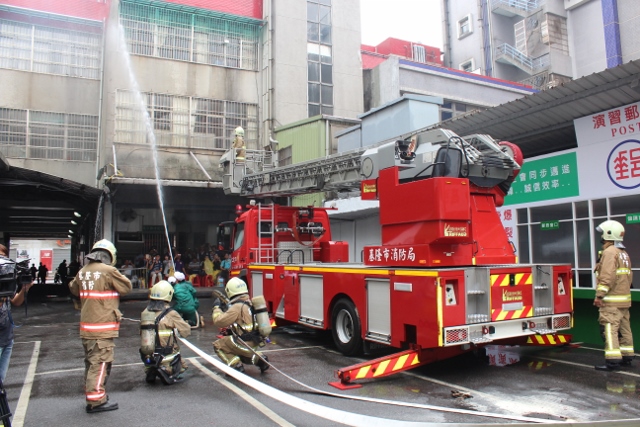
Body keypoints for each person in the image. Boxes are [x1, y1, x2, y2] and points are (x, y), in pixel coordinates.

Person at [68, 239, 132, 413]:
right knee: (100, 363)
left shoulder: (83, 271)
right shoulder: (109, 271)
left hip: (87, 327)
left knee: (91, 363)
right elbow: (126, 287)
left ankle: (96, 395)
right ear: (110, 256)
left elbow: (73, 288)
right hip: (102, 327)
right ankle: (96, 400)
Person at [593, 220, 634, 371]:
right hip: (623, 300)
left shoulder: (610, 252)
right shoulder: (623, 253)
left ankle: (612, 361)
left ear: (608, 234)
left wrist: (599, 295)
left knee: (609, 329)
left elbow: (607, 276)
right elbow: (629, 277)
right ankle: (627, 356)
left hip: (611, 302)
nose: (601, 237)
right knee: (625, 329)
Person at [211, 277, 269, 373]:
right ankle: (260, 359)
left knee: (218, 345)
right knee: (242, 353)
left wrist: (216, 308)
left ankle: (235, 366)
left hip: (243, 343)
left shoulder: (237, 307)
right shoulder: (250, 303)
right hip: (254, 343)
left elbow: (219, 321)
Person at [139, 280, 191, 384]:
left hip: (148, 356)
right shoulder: (171, 313)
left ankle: (150, 369)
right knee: (183, 366)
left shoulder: (145, 312)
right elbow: (186, 331)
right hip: (166, 355)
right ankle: (168, 371)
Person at [0, 244, 32, 383]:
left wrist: (25, 288)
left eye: (4, 257)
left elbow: (16, 302)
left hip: (7, 337)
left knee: (1, 380)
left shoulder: (6, 282)